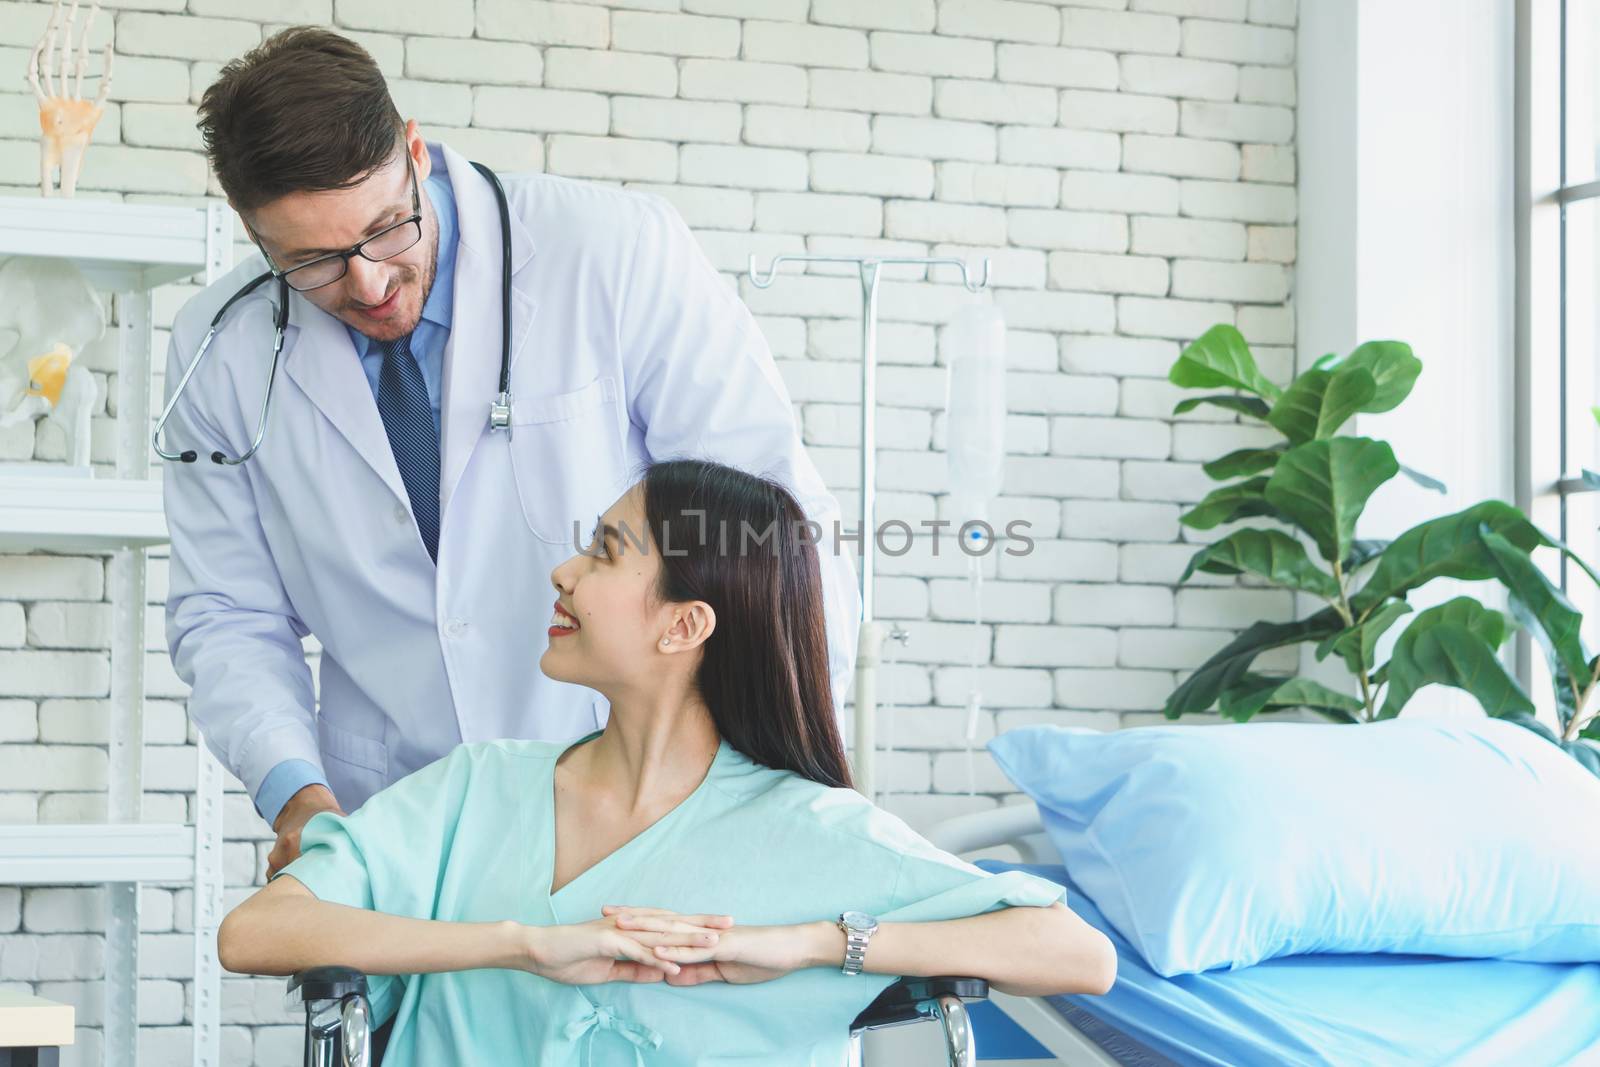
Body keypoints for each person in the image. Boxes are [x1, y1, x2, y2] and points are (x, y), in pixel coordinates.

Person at [161, 28, 860, 878]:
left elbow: (768, 527)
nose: (370, 285)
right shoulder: (219, 346)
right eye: (312, 262)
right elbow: (229, 611)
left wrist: (766, 782)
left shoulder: (611, 251)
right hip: (398, 815)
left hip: (647, 802)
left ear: (414, 150)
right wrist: (299, 796)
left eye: (387, 229)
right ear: (253, 231)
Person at [217, 459, 1115, 1065]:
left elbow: (1075, 953)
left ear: (682, 624)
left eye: (605, 550)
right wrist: (519, 945)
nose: (564, 571)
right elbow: (254, 933)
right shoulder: (478, 788)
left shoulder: (806, 829)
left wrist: (810, 943)